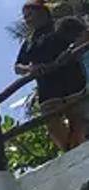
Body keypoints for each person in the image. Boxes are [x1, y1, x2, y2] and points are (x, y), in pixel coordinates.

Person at [15, 1, 89, 151]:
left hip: (72, 82)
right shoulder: (29, 42)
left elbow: (85, 34)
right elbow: (18, 67)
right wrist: (30, 68)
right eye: (25, 17)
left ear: (42, 12)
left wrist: (71, 51)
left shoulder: (62, 24)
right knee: (53, 125)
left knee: (78, 120)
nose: (27, 19)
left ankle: (77, 151)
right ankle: (71, 152)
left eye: (30, 14)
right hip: (47, 90)